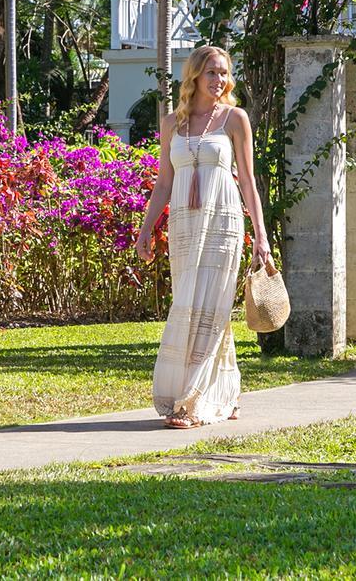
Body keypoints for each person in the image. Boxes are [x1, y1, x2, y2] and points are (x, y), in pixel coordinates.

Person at [135, 44, 274, 429]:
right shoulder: (171, 124)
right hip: (184, 226)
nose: (220, 80)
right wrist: (146, 231)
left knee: (210, 308)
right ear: (194, 76)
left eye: (225, 73)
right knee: (191, 305)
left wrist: (261, 236)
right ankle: (227, 391)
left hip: (223, 223)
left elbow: (247, 181)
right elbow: (164, 183)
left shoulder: (234, 118)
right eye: (212, 72)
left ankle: (191, 402)